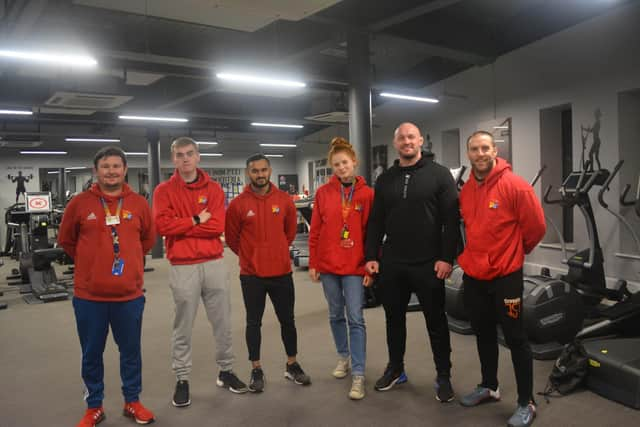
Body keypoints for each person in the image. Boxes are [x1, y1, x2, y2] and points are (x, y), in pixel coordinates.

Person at [58, 146, 156, 427]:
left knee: (131, 352)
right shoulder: (79, 204)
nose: (111, 171)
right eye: (105, 166)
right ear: (95, 171)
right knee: (91, 354)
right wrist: (92, 263)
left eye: (116, 166)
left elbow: (147, 240)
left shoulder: (138, 203)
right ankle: (94, 406)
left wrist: (130, 262)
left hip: (129, 295)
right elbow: (67, 241)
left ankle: (132, 401)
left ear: (125, 169)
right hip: (90, 297)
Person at [364, 122, 459, 402]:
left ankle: (443, 375)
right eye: (401, 138)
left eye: (411, 137)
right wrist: (371, 256)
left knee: (436, 323)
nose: (407, 142)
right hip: (393, 262)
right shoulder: (385, 179)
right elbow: (376, 221)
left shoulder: (440, 176)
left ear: (420, 141)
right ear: (396, 143)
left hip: (429, 263)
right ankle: (396, 368)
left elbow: (451, 222)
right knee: (394, 319)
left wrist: (446, 258)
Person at [458, 131, 546, 427]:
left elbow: (536, 227)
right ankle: (489, 386)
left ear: (495, 150)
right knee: (482, 332)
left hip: (506, 276)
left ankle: (526, 402)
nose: (480, 153)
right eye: (474, 149)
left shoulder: (515, 186)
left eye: (485, 148)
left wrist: (514, 254)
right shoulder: (467, 190)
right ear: (468, 153)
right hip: (475, 275)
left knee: (515, 337)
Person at [153, 137, 247, 408]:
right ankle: (182, 379)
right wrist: (196, 219)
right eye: (180, 155)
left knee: (223, 322)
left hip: (214, 263)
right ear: (174, 159)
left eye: (190, 154)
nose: (185, 159)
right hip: (182, 266)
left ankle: (226, 371)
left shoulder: (215, 189)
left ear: (198, 157)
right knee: (182, 326)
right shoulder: (163, 191)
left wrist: (181, 224)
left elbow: (216, 226)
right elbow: (163, 226)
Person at [225, 153, 311, 393]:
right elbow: (232, 239)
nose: (260, 175)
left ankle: (292, 364)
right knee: (254, 323)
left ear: (270, 171)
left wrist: (276, 252)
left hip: (282, 273)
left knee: (288, 321)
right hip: (252, 276)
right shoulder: (238, 204)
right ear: (248, 173)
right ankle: (256, 368)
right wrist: (251, 256)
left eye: (264, 170)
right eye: (255, 171)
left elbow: (290, 233)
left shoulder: (284, 200)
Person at [308, 137, 374, 400]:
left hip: (355, 266)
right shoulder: (324, 193)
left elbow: (371, 233)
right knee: (335, 314)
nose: (341, 168)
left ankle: (358, 373)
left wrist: (370, 267)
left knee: (355, 318)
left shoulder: (368, 194)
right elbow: (316, 231)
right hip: (328, 265)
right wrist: (313, 262)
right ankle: (343, 357)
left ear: (354, 162)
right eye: (336, 164)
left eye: (345, 163)